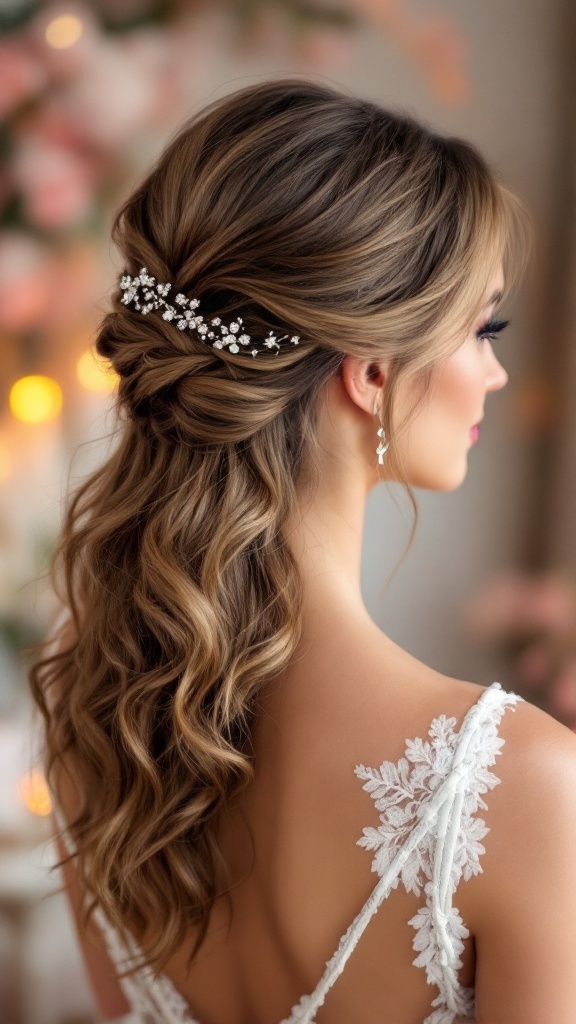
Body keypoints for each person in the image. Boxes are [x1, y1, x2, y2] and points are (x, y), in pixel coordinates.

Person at [30, 80, 576, 1024]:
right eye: (482, 329)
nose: (493, 372)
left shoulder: (95, 704)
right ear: (370, 375)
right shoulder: (521, 786)